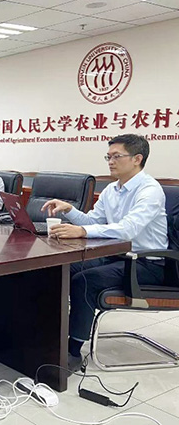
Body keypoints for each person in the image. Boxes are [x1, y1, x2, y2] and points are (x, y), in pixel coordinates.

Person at [41, 134, 168, 372]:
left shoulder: (150, 190)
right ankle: (47, 336)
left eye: (116, 156)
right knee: (59, 269)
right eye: (108, 157)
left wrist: (82, 231)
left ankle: (73, 350)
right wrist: (70, 210)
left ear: (137, 159)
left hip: (148, 263)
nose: (110, 162)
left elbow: (128, 229)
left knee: (85, 279)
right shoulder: (112, 189)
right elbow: (93, 221)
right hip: (116, 256)